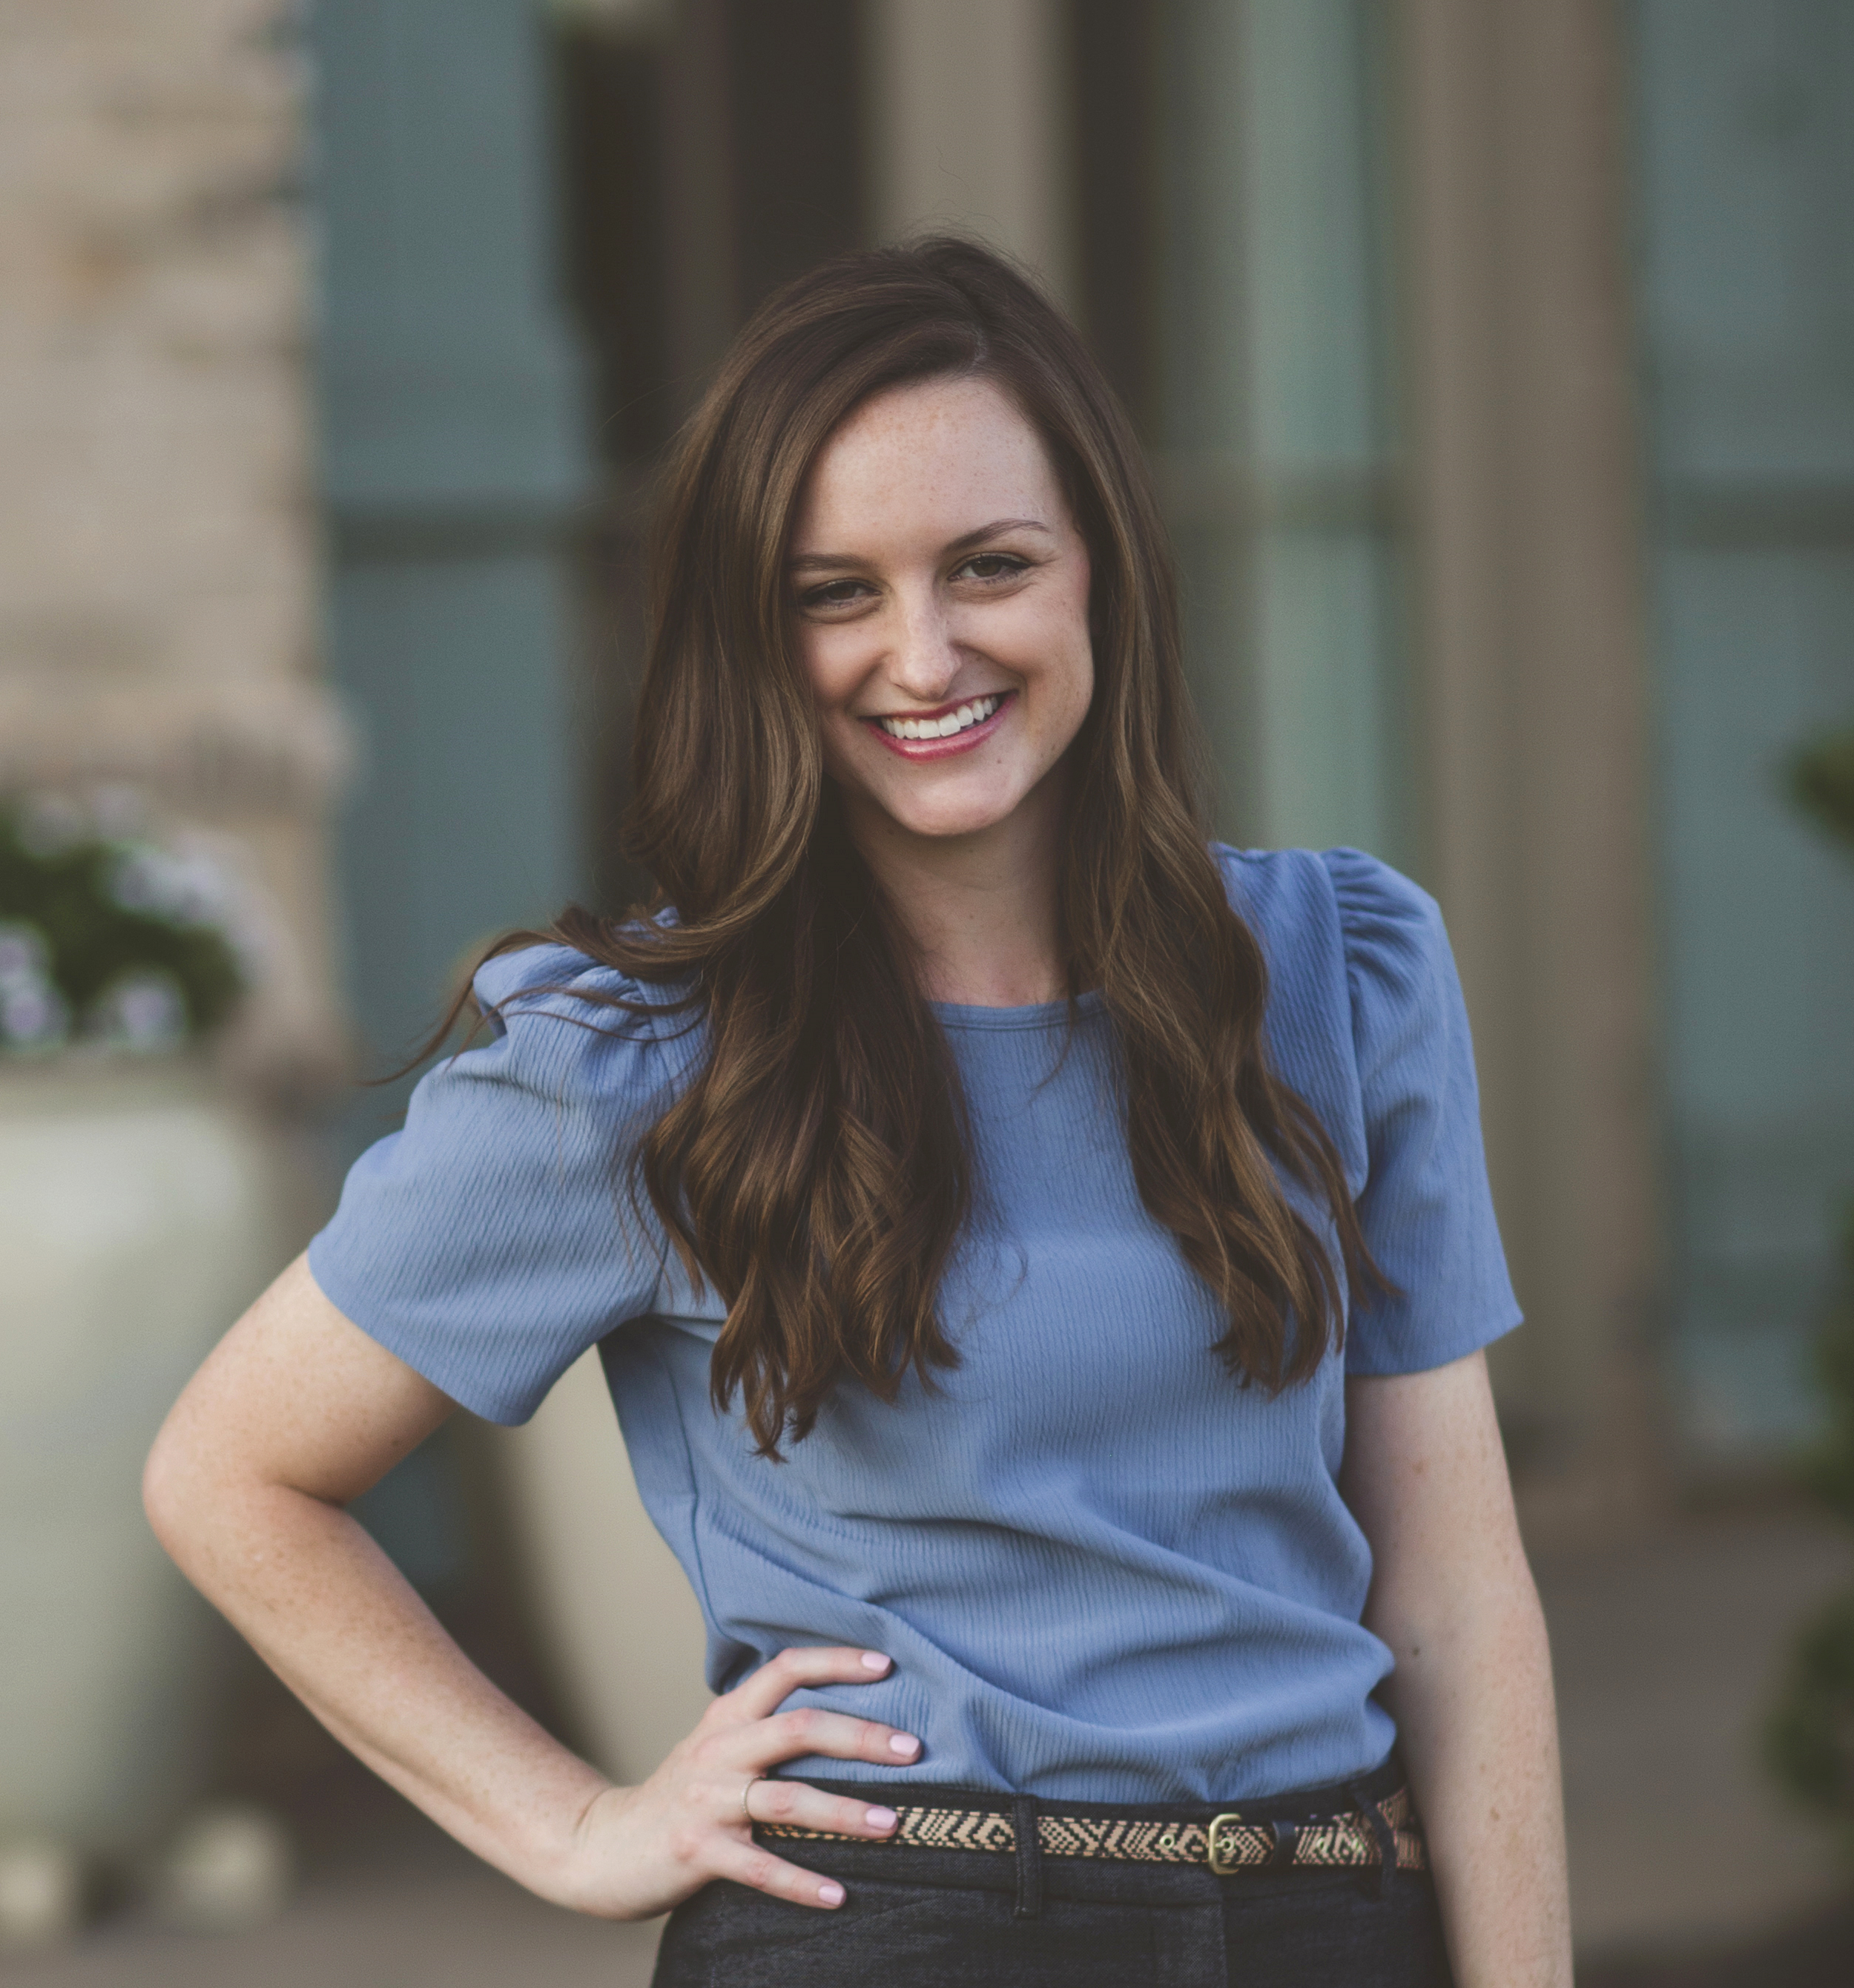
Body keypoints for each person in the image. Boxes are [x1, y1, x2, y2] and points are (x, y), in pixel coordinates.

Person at [145, 238, 1571, 1987]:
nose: (922, 653)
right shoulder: (636, 1055)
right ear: (754, 635)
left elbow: (1454, 1594)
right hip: (900, 1924)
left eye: (990, 565)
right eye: (834, 592)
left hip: (1329, 1915)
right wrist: (572, 1825)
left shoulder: (1338, 970)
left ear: (1102, 573)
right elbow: (234, 1472)